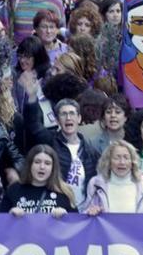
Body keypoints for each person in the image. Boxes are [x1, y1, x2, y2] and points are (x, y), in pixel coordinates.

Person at [20, 75, 101, 206]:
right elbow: (33, 124)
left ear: (79, 118)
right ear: (57, 120)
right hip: (57, 210)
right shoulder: (50, 141)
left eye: (72, 114)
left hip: (84, 212)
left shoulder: (91, 152)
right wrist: (32, 97)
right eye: (63, 114)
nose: (68, 118)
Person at [80, 140, 143, 215]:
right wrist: (89, 212)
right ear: (109, 161)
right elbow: (85, 214)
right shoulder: (95, 184)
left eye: (126, 158)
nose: (122, 162)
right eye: (117, 158)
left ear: (132, 161)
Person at [0, 145, 75, 215]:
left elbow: (76, 224)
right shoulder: (14, 190)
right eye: (37, 162)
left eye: (47, 163)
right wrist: (10, 216)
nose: (42, 167)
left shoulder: (64, 192)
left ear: (53, 168)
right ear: (30, 165)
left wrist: (65, 216)